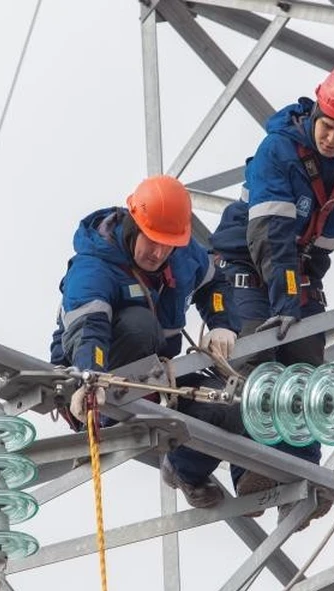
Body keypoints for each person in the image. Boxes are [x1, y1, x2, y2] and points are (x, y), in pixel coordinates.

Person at [210, 62, 334, 529]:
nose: (331, 139)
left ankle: (303, 469)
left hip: (299, 273)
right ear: (314, 113)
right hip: (247, 261)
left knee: (304, 365)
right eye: (327, 126)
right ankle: (253, 468)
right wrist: (285, 306)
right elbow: (271, 236)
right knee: (259, 356)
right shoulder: (278, 151)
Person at [49, 175, 255, 509]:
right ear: (133, 225)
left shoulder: (183, 256)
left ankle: (184, 470)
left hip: (157, 377)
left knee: (230, 404)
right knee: (139, 323)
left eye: (167, 244)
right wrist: (90, 379)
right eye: (151, 240)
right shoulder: (94, 267)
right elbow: (89, 329)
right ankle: (105, 416)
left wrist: (222, 323)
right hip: (100, 378)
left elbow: (215, 285)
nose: (157, 252)